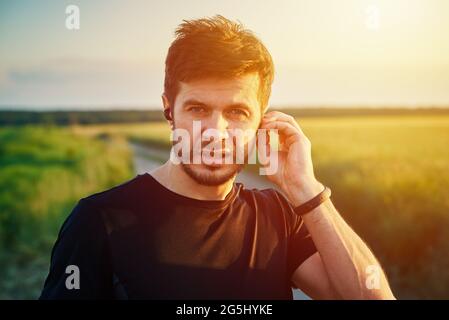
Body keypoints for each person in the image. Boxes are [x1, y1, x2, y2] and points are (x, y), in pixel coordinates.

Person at [40, 15, 395, 300]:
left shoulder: (278, 216)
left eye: (238, 112)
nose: (215, 130)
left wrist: (306, 189)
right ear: (169, 109)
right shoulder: (97, 221)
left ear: (262, 120)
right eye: (197, 108)